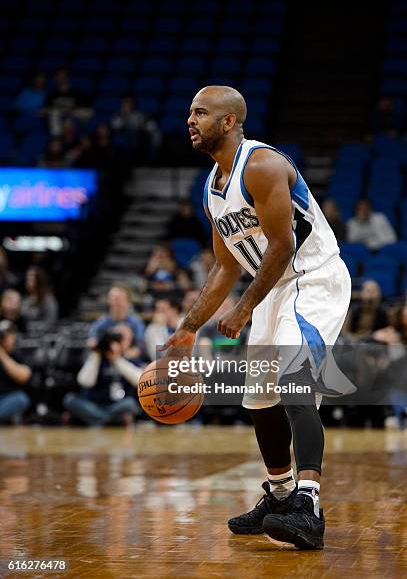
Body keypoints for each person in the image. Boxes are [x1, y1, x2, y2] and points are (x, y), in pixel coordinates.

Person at [163, 85, 353, 550]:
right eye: (190, 112)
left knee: (293, 381)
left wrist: (243, 308)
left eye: (201, 113)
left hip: (312, 279)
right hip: (272, 287)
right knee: (259, 399)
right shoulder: (212, 186)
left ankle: (309, 508)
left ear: (229, 122)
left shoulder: (262, 164)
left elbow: (285, 245)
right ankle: (281, 495)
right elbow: (226, 265)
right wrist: (189, 327)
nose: (191, 120)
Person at [63, 324, 141, 426]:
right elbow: (85, 382)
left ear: (130, 342)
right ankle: (107, 420)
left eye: (122, 339)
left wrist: (116, 360)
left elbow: (140, 380)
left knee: (130, 404)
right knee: (69, 399)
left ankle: (97, 420)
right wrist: (96, 354)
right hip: (93, 405)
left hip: (117, 405)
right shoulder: (96, 358)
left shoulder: (129, 360)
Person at [88, 285, 145, 351]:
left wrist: (123, 356)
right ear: (108, 300)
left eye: (119, 298)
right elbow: (92, 341)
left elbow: (140, 346)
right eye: (113, 298)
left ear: (128, 301)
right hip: (107, 356)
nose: (116, 301)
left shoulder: (136, 322)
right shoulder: (102, 322)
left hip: (128, 358)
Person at [0, 321, 31, 423]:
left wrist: (2, 355)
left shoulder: (17, 355)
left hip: (7, 399)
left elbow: (24, 376)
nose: (6, 338)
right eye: (3, 335)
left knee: (21, 399)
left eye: (9, 334)